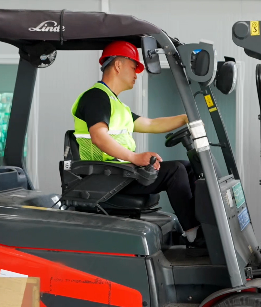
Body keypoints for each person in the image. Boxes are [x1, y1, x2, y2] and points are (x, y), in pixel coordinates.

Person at [71, 40, 200, 242]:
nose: (136, 74)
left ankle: (200, 227)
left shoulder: (115, 104)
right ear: (118, 65)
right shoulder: (96, 97)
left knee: (186, 165)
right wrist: (135, 157)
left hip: (119, 173)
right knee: (175, 171)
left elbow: (151, 124)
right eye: (134, 67)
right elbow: (99, 137)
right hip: (106, 178)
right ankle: (193, 236)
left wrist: (187, 118)